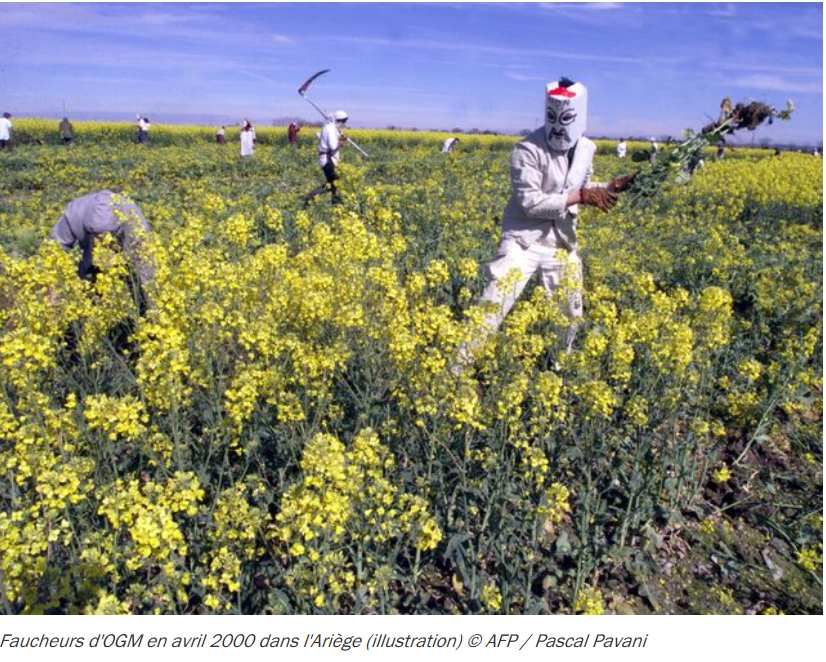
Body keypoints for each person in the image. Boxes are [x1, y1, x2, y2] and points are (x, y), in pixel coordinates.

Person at [456, 78, 634, 369]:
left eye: (566, 119)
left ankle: (558, 369)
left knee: (570, 313)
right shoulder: (526, 149)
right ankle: (456, 369)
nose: (559, 126)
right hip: (523, 241)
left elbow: (583, 185)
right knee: (491, 306)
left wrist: (611, 186)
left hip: (561, 242)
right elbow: (529, 201)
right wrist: (581, 195)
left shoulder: (587, 148)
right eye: (553, 118)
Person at [49, 190, 155, 288]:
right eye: (97, 236)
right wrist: (51, 290)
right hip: (87, 247)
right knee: (88, 276)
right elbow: (54, 249)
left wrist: (149, 298)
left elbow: (146, 264)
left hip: (124, 246)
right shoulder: (74, 214)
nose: (103, 243)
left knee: (132, 275)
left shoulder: (133, 220)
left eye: (108, 236)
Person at [303, 110, 349, 206]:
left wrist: (340, 137)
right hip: (327, 160)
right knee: (334, 184)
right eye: (343, 122)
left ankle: (334, 204)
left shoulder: (330, 128)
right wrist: (342, 142)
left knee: (333, 184)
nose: (343, 124)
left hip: (327, 159)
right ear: (338, 120)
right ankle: (310, 197)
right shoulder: (330, 129)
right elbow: (333, 146)